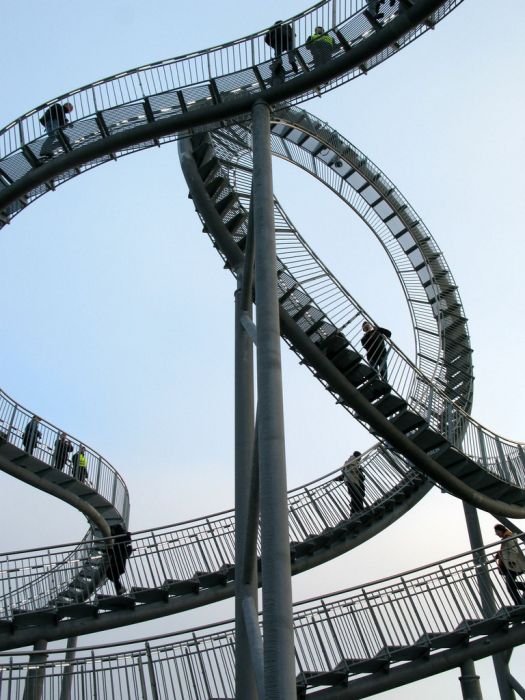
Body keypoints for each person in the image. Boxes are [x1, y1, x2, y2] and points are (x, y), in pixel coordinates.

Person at [494, 523, 525, 605]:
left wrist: (512, 561)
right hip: (509, 565)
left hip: (511, 565)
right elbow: (506, 550)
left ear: (500, 530)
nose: (496, 534)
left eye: (497, 532)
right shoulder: (506, 538)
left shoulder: (508, 538)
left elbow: (513, 550)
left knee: (510, 586)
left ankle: (519, 603)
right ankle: (518, 603)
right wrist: (498, 555)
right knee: (510, 586)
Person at [265, 20, 298, 86]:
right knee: (290, 51)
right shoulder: (286, 26)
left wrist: (272, 44)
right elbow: (294, 34)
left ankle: (279, 62)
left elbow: (267, 39)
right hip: (286, 40)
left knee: (278, 54)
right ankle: (292, 62)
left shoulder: (272, 28)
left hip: (278, 42)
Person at [105, 524, 133, 595]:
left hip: (119, 558)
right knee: (112, 574)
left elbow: (122, 546)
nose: (112, 533)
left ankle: (119, 589)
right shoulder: (121, 537)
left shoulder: (121, 536)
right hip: (119, 558)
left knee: (111, 573)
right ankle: (119, 589)